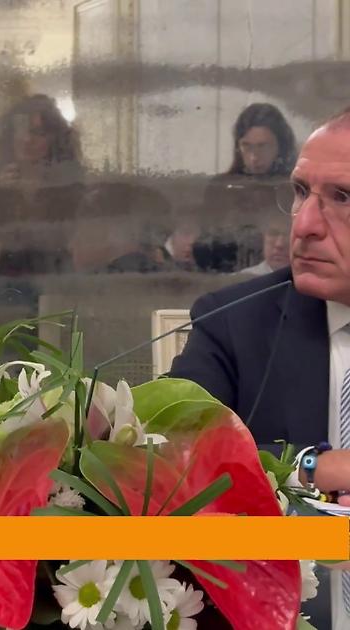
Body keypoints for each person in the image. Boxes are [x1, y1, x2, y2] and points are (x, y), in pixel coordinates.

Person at [169, 107, 350, 629]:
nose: (305, 225)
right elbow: (167, 457)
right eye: (300, 192)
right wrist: (311, 468)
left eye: (343, 197)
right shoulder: (233, 323)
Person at [0, 94, 85, 278]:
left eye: (38, 133)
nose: (27, 139)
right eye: (20, 130)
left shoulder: (71, 191)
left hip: (55, 290)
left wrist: (7, 258)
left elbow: (69, 259)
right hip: (0, 292)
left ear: (55, 140)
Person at [195, 103, 298, 272]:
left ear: (280, 146)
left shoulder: (293, 188)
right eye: (246, 146)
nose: (254, 157)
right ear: (238, 146)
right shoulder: (221, 188)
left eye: (262, 146)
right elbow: (206, 249)